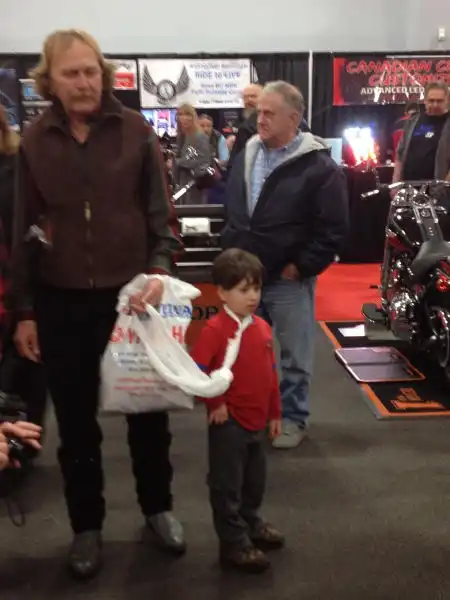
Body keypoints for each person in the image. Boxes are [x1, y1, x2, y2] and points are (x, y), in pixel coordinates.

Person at [11, 29, 183, 580]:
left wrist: (159, 269)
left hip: (131, 301)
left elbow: (162, 218)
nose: (84, 82)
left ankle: (158, 508)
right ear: (51, 81)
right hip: (60, 302)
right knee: (76, 426)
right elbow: (22, 230)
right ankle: (86, 526)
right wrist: (25, 311)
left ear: (102, 74)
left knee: (148, 416)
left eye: (90, 71)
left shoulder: (136, 132)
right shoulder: (35, 140)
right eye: (71, 73)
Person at [222, 81, 349, 449]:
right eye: (258, 112)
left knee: (294, 356)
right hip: (245, 276)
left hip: (288, 279)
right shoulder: (247, 152)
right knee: (246, 352)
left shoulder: (319, 166)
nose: (259, 119)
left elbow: (334, 228)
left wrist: (301, 267)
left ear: (293, 119)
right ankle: (254, 413)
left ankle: (293, 418)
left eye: (268, 113)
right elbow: (236, 207)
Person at [190, 248, 283, 573]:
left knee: (254, 482)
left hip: (258, 419)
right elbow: (198, 372)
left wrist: (275, 413)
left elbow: (271, 374)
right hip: (229, 423)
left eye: (256, 288)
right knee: (226, 485)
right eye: (244, 290)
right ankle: (233, 543)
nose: (253, 296)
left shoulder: (263, 328)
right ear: (222, 292)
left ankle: (250, 524)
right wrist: (215, 403)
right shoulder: (214, 330)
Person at [394, 81, 450, 183]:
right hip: (409, 187)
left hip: (438, 188)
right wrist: (396, 183)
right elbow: (400, 155)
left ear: (447, 100)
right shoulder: (413, 121)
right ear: (425, 100)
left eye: (439, 101)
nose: (435, 104)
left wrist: (445, 186)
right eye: (431, 100)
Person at [173, 103, 211, 204]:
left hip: (195, 187)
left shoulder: (200, 137)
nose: (184, 118)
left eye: (187, 114)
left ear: (193, 117)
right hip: (182, 186)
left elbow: (204, 163)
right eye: (181, 114)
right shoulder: (182, 137)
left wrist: (179, 162)